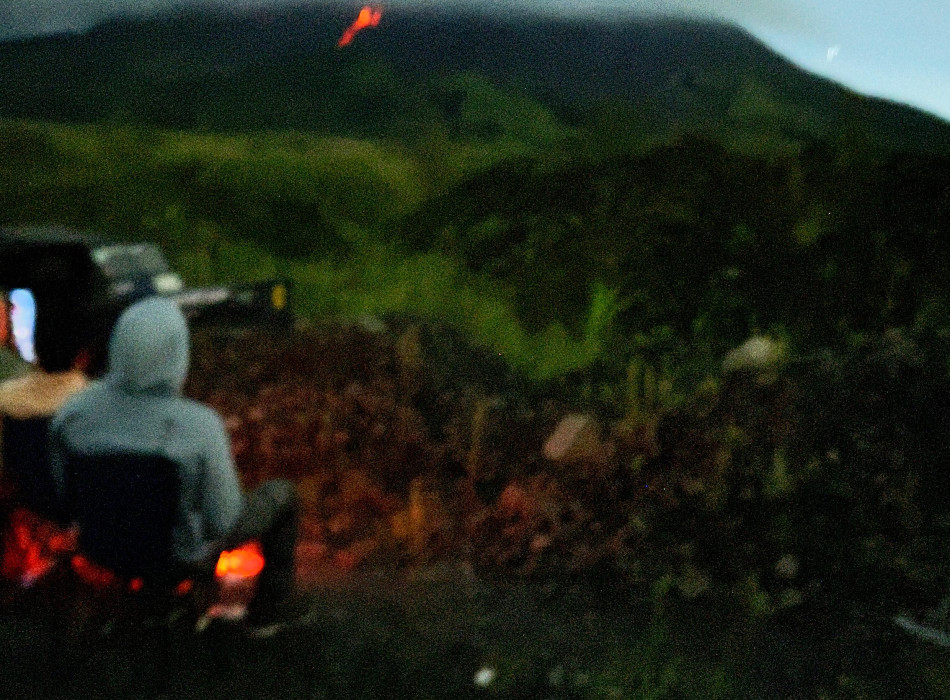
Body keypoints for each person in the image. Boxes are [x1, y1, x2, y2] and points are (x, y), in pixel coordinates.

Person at [49, 297, 300, 634]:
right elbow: (223, 520)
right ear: (177, 354)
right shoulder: (199, 426)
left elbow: (64, 496)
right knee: (281, 495)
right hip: (175, 558)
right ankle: (269, 611)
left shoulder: (73, 414)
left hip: (100, 549)